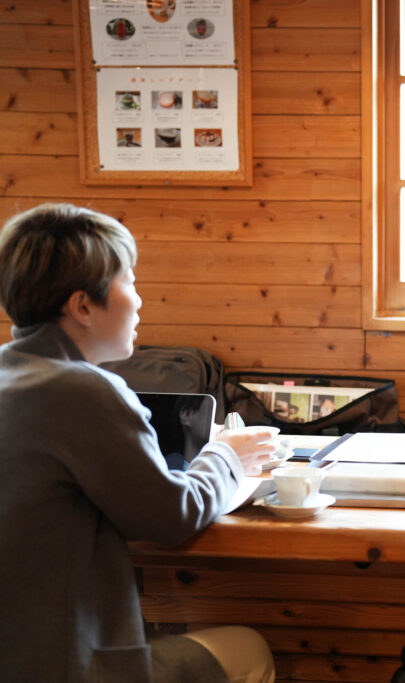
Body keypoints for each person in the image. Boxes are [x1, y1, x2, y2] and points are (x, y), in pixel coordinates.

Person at [0, 203, 278, 682]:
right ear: (82, 306)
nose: (139, 299)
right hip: (63, 665)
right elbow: (172, 516)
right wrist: (227, 453)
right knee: (248, 648)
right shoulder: (79, 390)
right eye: (128, 281)